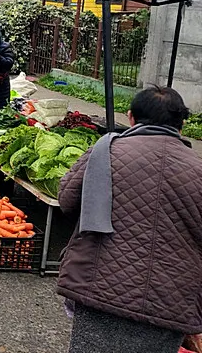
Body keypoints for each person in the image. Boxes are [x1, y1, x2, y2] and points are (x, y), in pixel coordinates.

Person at [57, 86, 202, 353]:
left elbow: (66, 200)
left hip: (99, 287)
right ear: (181, 125)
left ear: (131, 117)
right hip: (170, 301)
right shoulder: (198, 169)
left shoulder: (105, 151)